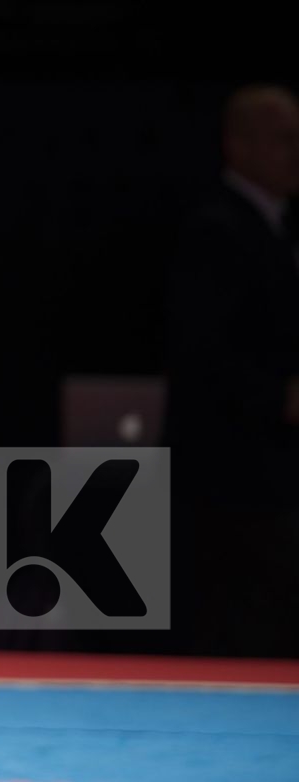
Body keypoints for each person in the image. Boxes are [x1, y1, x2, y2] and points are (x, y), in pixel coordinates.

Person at [166, 83, 299, 655]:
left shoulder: (282, 229)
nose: (297, 153)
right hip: (228, 481)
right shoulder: (216, 230)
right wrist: (279, 398)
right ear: (238, 145)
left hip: (273, 477)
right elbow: (200, 355)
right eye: (286, 140)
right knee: (233, 631)